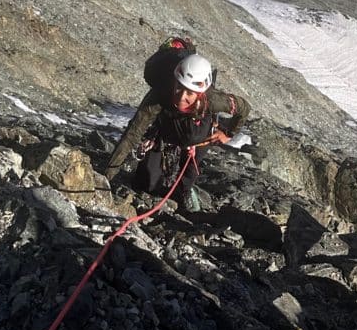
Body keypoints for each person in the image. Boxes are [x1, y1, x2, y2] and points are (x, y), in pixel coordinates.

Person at [105, 52, 249, 215]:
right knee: (145, 185)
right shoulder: (159, 95)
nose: (182, 97)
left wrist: (228, 132)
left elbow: (244, 108)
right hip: (165, 126)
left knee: (189, 173)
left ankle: (184, 191)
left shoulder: (213, 100)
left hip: (198, 129)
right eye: (179, 87)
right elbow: (131, 135)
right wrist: (106, 178)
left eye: (189, 93)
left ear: (200, 93)